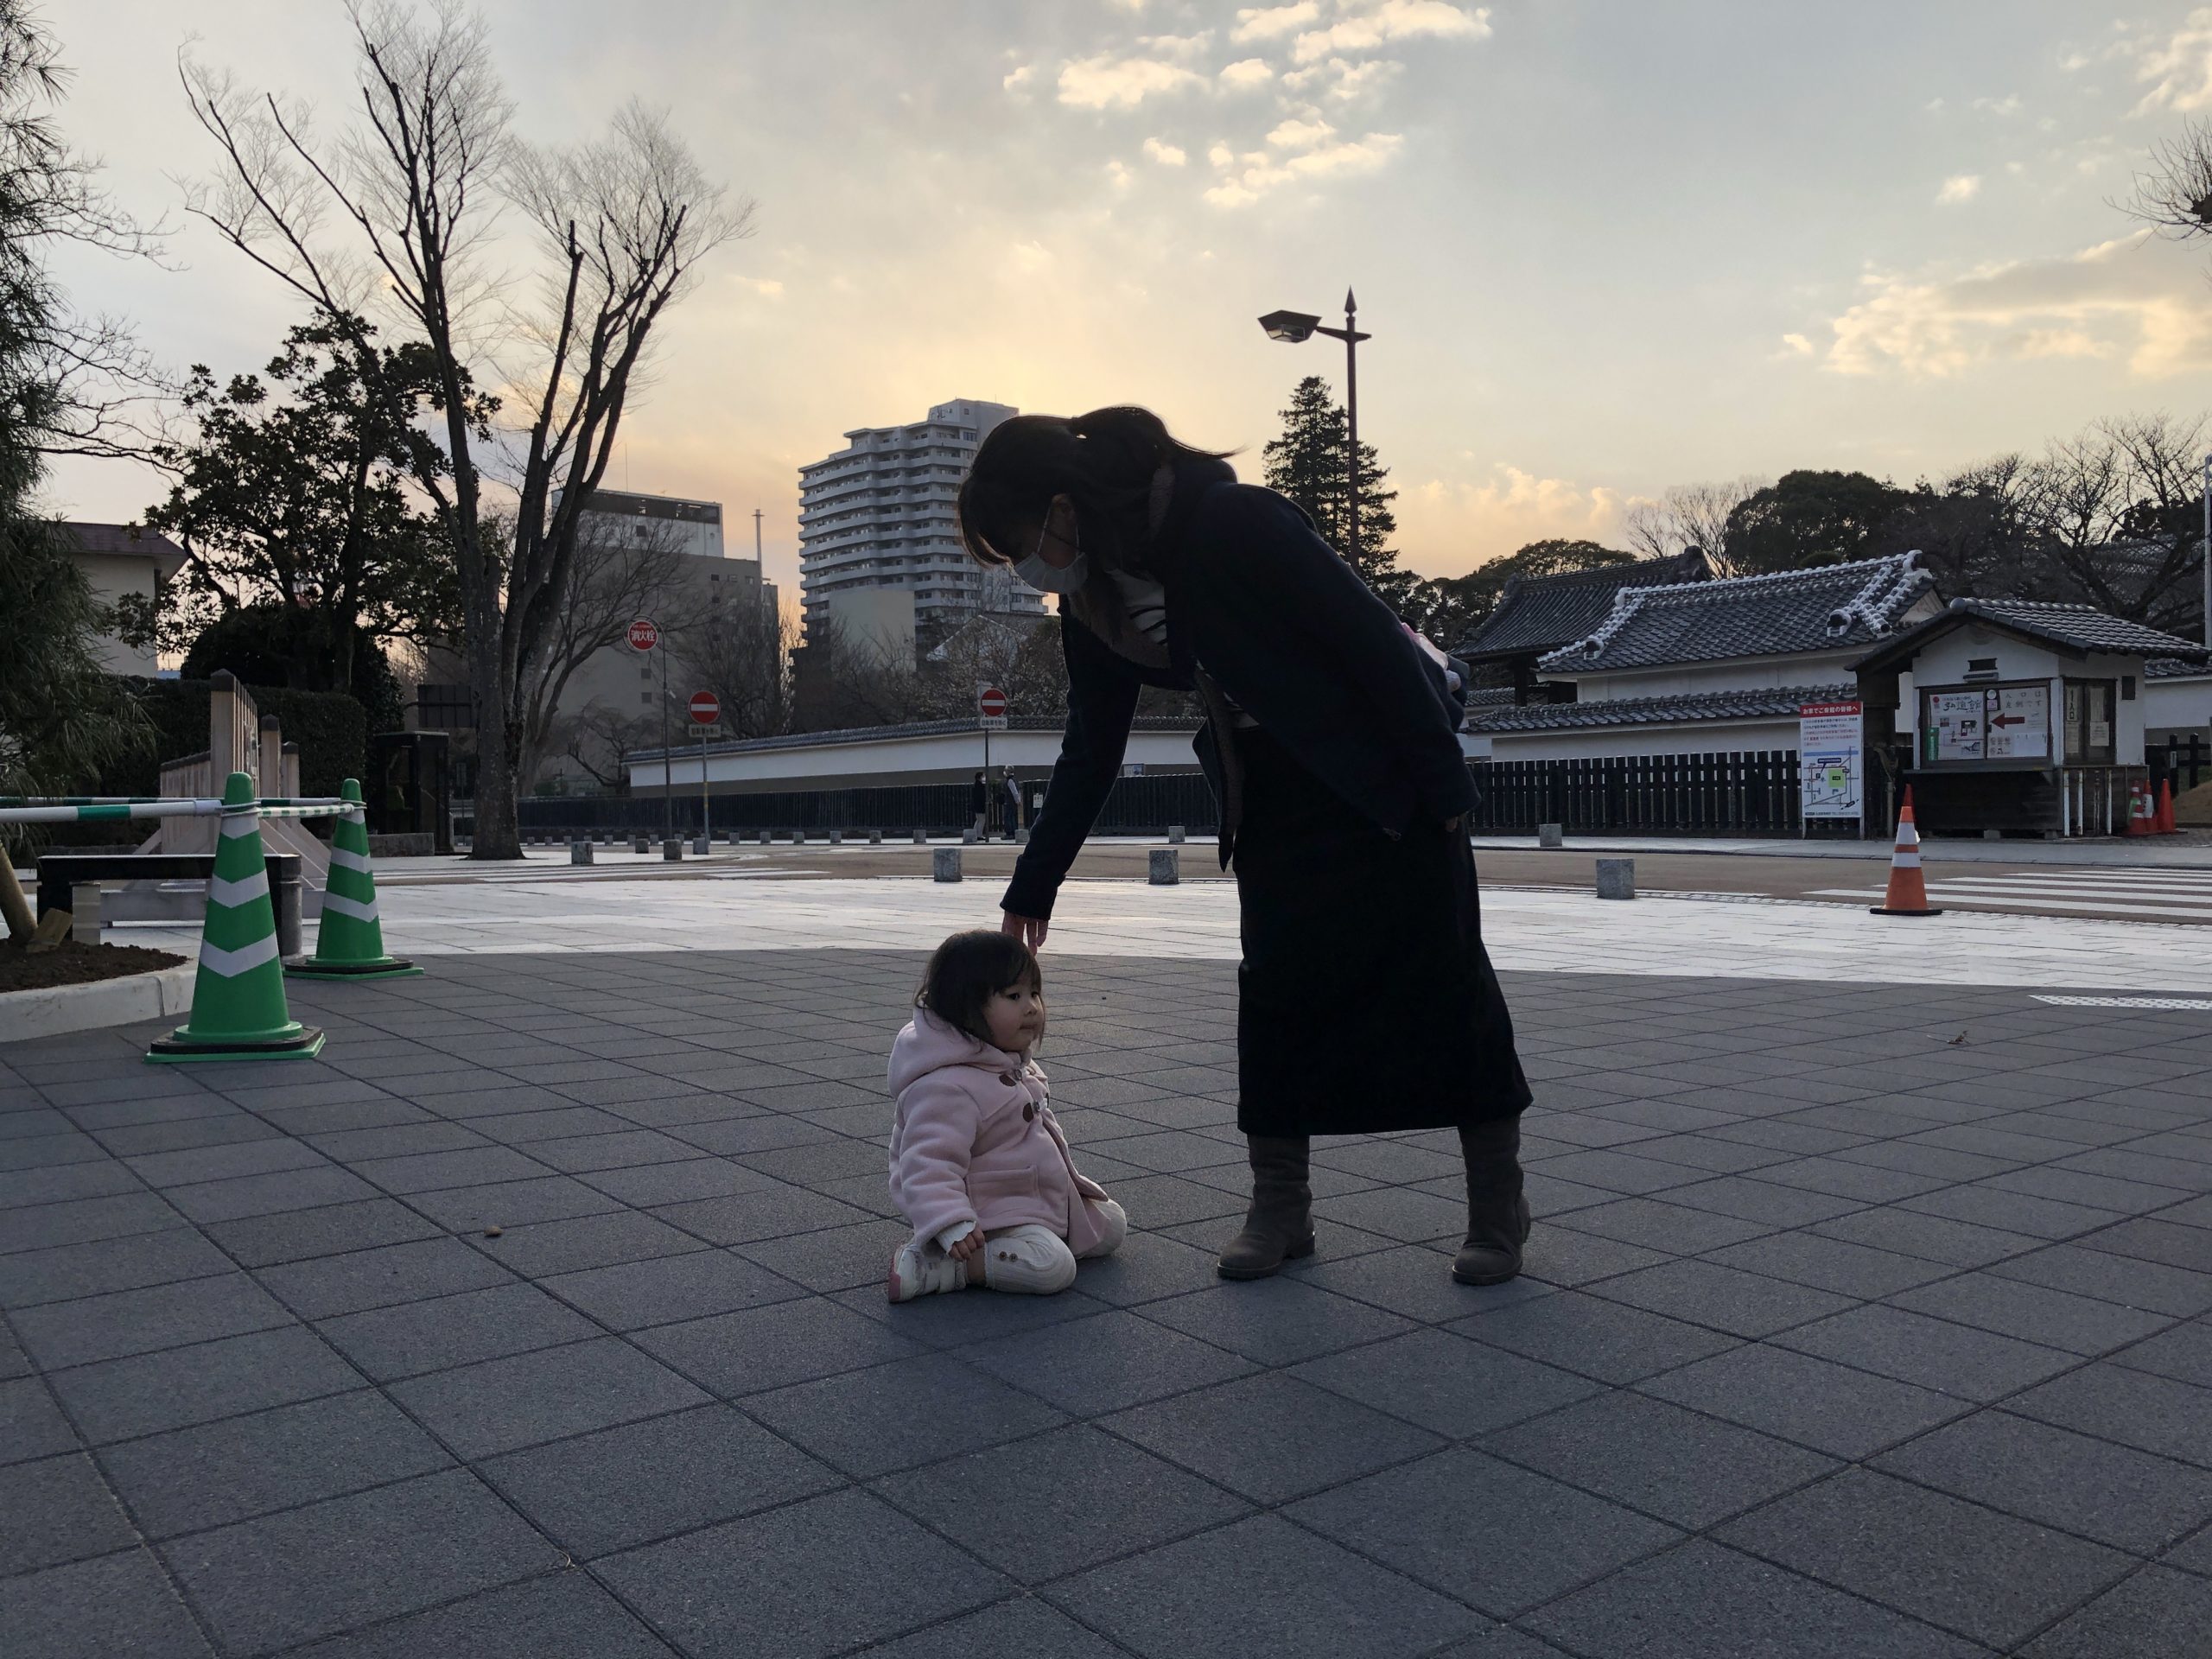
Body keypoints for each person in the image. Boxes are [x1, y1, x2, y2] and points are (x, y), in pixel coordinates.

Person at [955, 406, 1534, 1287]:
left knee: (1448, 991)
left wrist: (1446, 792)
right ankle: (1280, 1210)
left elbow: (1373, 643)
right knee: (1276, 1000)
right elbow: (1091, 746)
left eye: (1020, 542)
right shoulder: (1093, 601)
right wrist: (1034, 884)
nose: (1027, 568)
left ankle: (1496, 1208)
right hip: (1269, 794)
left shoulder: (1231, 520)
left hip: (1380, 781)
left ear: (1062, 507)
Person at [886, 929, 1126, 1300]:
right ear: (966, 1006)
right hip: (983, 1215)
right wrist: (950, 1221)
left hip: (1021, 1196)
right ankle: (944, 1265)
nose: (1032, 1007)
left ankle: (1039, 1232)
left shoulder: (1010, 1064)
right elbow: (926, 1164)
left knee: (1111, 1225)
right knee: (1053, 1267)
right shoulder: (948, 1088)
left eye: (1034, 994)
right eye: (1014, 996)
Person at [969, 769, 988, 840]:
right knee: (982, 821)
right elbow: (982, 796)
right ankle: (979, 835)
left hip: (977, 806)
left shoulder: (976, 786)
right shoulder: (980, 786)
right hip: (980, 806)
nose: (984, 778)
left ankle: (974, 834)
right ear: (979, 778)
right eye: (983, 776)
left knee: (978, 820)